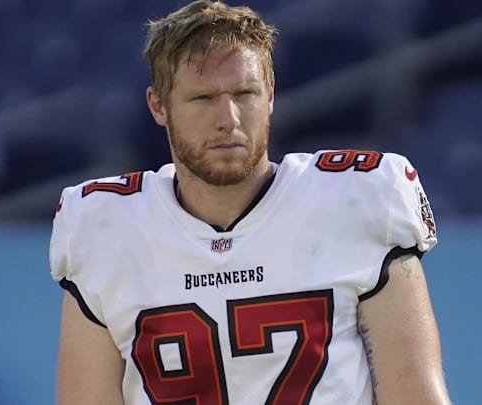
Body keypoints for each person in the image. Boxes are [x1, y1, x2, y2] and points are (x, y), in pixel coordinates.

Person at [49, 1, 451, 404]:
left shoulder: (360, 199)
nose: (228, 118)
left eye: (244, 94)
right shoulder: (104, 228)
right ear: (159, 106)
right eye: (203, 98)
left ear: (270, 93)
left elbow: (415, 395)